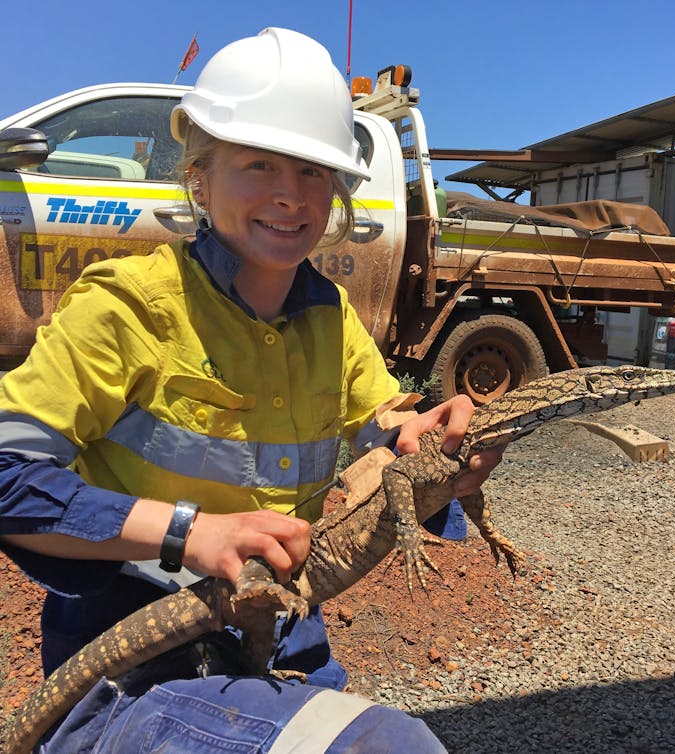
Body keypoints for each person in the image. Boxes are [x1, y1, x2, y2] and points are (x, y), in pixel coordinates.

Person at [0, 28, 502, 752]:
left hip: (281, 654)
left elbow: (383, 425)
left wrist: (432, 435)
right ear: (198, 175)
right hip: (131, 671)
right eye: (258, 165)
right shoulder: (128, 307)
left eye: (310, 172)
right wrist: (192, 534)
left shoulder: (328, 319)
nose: (288, 196)